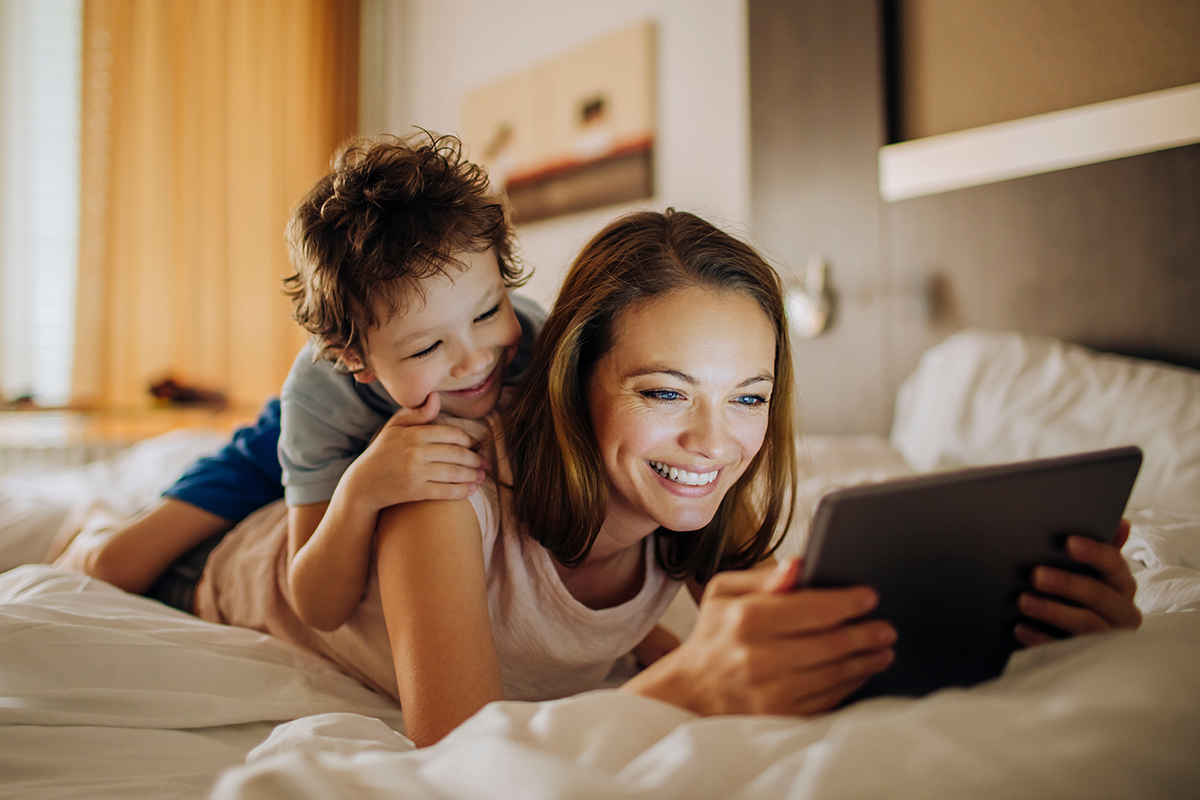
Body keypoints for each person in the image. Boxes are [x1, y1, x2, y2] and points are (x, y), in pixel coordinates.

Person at [186, 209, 1142, 748]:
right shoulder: (439, 488)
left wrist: (1032, 620)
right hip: (239, 572)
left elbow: (791, 646)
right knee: (126, 543)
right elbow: (460, 764)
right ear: (572, 380)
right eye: (663, 391)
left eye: (748, 398)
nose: (713, 444)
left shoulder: (701, 511)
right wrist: (696, 686)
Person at [52, 132, 545, 625]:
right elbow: (316, 604)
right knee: (116, 566)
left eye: (486, 313)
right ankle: (95, 527)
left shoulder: (535, 339)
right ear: (356, 359)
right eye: (427, 347)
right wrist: (359, 492)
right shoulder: (319, 392)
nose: (475, 359)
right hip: (271, 450)